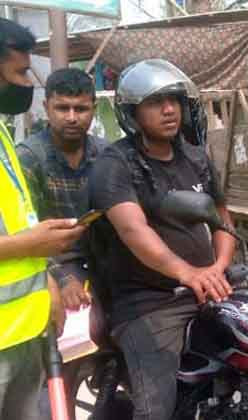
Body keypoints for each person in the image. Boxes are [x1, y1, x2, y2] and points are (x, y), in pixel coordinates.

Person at [88, 59, 235, 420]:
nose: (169, 109)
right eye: (155, 102)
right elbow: (133, 230)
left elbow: (222, 220)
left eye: (174, 100)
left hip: (208, 287)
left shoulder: (196, 158)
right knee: (157, 408)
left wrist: (218, 267)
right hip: (149, 302)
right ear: (131, 113)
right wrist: (187, 273)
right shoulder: (116, 164)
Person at [0, 17, 85, 420]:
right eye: (19, 72)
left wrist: (47, 276)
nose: (26, 84)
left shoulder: (1, 134)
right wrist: (30, 246)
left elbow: (18, 219)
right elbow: (22, 238)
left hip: (22, 335)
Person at [16, 67, 107, 420]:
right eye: (62, 108)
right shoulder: (30, 157)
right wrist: (61, 277)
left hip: (102, 262)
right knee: (66, 348)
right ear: (47, 107)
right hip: (50, 265)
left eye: (80, 109)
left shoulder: (105, 153)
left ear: (93, 109)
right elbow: (26, 230)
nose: (72, 117)